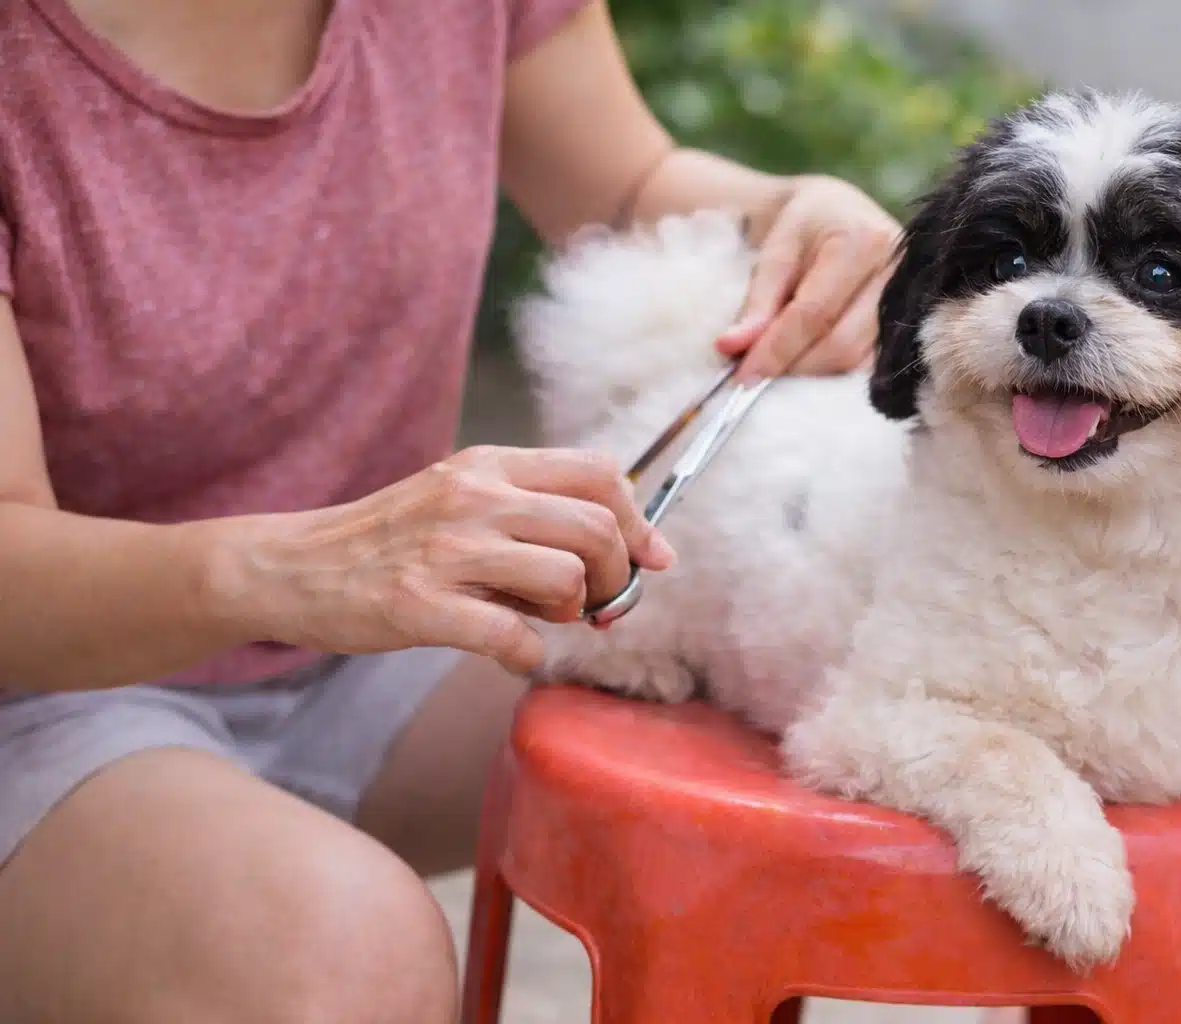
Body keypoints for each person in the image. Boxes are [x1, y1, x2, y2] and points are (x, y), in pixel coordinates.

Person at [0, 0, 902, 1019]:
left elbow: (626, 184)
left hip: (366, 658)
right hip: (42, 689)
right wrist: (294, 572)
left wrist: (787, 216)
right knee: (337, 956)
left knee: (775, 666)